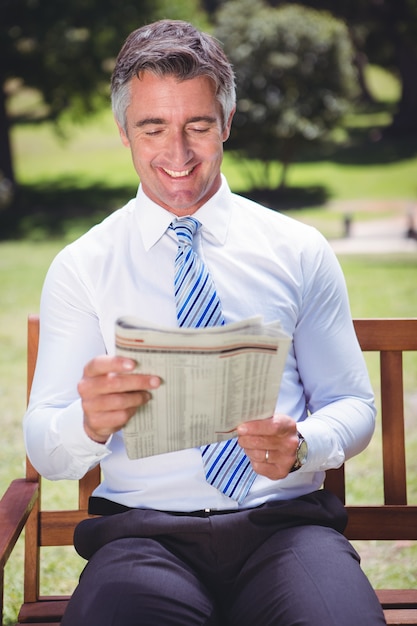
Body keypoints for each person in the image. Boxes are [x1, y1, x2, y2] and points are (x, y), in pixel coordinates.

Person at [24, 19, 386, 626]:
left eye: (197, 125)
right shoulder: (83, 266)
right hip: (140, 539)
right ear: (123, 132)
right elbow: (43, 443)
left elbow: (353, 403)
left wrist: (303, 445)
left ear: (226, 122)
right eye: (153, 127)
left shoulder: (296, 249)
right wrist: (85, 423)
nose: (178, 152)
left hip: (286, 530)